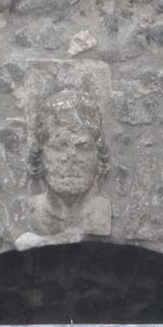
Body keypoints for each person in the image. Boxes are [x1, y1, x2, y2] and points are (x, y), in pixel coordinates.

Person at [27, 88, 112, 236]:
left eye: (83, 147)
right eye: (60, 146)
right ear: (41, 154)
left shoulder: (101, 212)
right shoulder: (32, 210)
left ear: (98, 155)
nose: (71, 158)